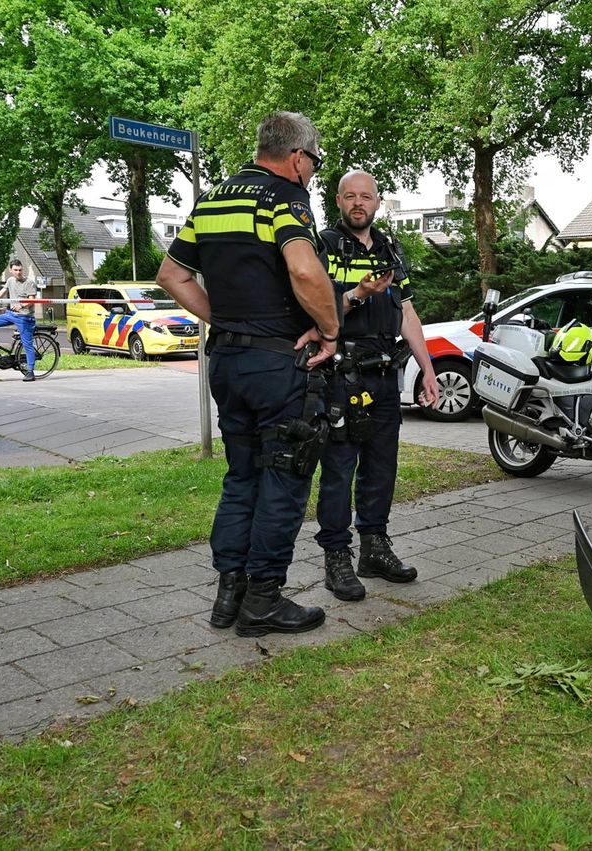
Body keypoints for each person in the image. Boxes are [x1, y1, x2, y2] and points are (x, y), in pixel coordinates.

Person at [155, 111, 340, 637]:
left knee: (241, 478)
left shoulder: (212, 200)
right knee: (284, 478)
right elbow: (305, 270)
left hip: (229, 364)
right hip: (278, 366)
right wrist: (329, 332)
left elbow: (171, 274)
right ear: (298, 158)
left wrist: (225, 321)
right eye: (314, 163)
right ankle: (263, 600)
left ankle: (228, 595)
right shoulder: (283, 199)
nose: (312, 174)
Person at [315, 170, 439, 602]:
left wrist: (427, 369)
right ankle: (336, 556)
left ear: (378, 202)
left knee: (381, 467)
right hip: (340, 375)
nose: (358, 203)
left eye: (365, 196)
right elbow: (314, 308)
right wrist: (358, 294)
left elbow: (407, 313)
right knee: (339, 469)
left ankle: (374, 546)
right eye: (350, 196)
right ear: (338, 201)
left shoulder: (390, 248)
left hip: (386, 376)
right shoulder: (323, 245)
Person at [0, 259, 39, 381]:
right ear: (10, 270)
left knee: (27, 344)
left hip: (25, 317)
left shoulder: (29, 283)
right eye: (15, 270)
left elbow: (32, 300)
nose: (18, 272)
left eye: (20, 270)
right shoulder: (10, 280)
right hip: (11, 314)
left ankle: (30, 371)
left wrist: (21, 305)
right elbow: (0, 294)